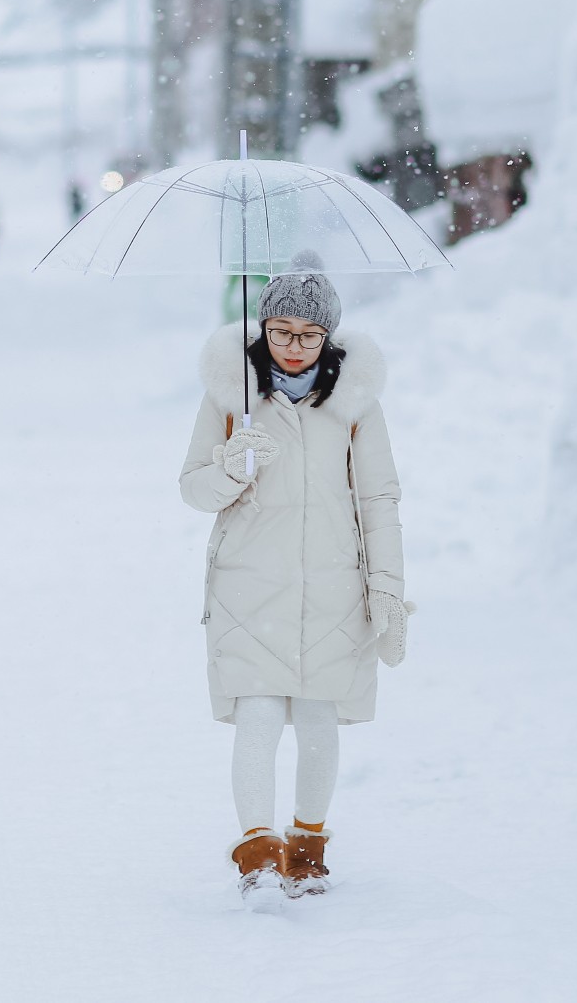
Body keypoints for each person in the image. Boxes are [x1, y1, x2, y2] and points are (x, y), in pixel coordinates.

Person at [178, 253, 411, 900]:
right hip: (249, 587)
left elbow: (378, 499)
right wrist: (232, 466)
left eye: (308, 335)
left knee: (316, 721)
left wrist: (386, 586)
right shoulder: (232, 396)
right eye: (280, 331)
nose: (293, 347)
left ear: (328, 338)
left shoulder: (355, 405)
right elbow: (193, 487)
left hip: (331, 587)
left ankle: (307, 849)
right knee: (255, 718)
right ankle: (257, 851)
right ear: (263, 327)